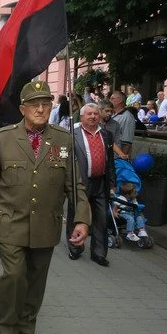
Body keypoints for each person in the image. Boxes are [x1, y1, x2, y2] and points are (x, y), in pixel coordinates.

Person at [0, 81, 90, 334]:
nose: (40, 109)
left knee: (37, 278)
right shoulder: (3, 138)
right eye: (34, 104)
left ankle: (27, 324)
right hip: (10, 222)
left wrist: (82, 219)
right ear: (22, 109)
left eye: (45, 104)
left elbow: (74, 184)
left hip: (46, 223)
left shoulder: (62, 139)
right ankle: (7, 330)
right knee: (14, 276)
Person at [67, 103, 116, 266]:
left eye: (95, 113)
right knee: (77, 215)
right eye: (89, 114)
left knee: (101, 218)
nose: (93, 116)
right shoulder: (72, 134)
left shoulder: (106, 134)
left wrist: (112, 182)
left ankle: (99, 253)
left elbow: (111, 161)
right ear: (81, 117)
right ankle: (75, 248)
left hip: (101, 182)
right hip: (81, 182)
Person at [110, 91, 134, 159]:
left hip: (117, 158)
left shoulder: (127, 117)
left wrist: (122, 160)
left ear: (120, 100)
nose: (110, 100)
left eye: (112, 98)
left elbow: (127, 142)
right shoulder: (111, 115)